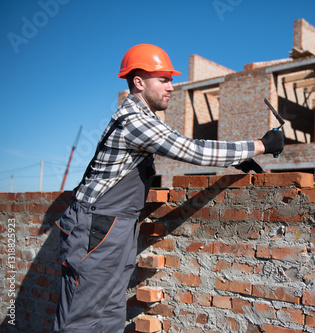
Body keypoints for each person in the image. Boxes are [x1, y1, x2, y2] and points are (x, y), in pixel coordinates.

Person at [51, 43, 284, 332]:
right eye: (163, 79)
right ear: (138, 82)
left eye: (170, 79)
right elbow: (192, 150)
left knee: (109, 315)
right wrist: (260, 145)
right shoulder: (134, 121)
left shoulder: (144, 119)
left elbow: (181, 143)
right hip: (98, 227)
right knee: (82, 319)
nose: (171, 86)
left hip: (115, 226)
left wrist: (239, 156)